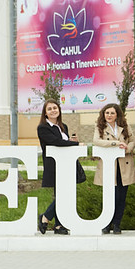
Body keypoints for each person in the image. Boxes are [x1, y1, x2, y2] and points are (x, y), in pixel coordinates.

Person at [37, 99, 86, 235]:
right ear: (45, 113)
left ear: (59, 110)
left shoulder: (63, 126)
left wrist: (71, 141)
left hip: (66, 164)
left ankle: (58, 225)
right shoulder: (43, 128)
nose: (53, 110)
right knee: (61, 195)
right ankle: (46, 217)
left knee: (64, 194)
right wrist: (76, 145)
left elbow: (63, 143)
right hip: (54, 165)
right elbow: (55, 142)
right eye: (49, 109)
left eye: (55, 108)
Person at [92, 103, 135, 234]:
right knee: (111, 196)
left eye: (112, 113)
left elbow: (133, 140)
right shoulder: (100, 126)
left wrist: (127, 148)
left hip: (124, 165)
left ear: (117, 114)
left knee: (121, 197)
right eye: (107, 113)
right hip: (108, 166)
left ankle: (117, 224)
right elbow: (96, 141)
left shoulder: (125, 125)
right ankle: (107, 224)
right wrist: (116, 143)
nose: (109, 115)